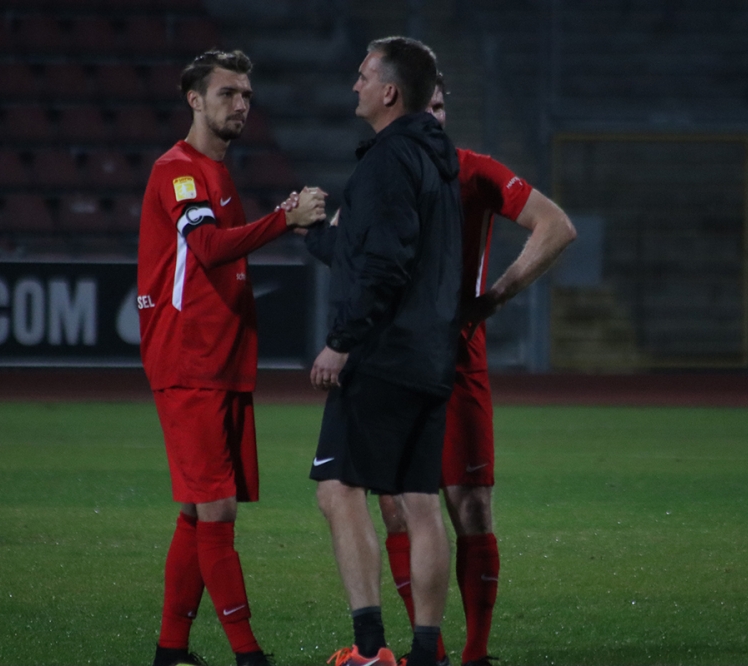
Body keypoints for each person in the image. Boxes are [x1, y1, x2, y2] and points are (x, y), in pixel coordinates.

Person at [377, 74, 576, 666]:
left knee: (470, 505)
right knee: (396, 508)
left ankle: (477, 655)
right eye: (425, 106)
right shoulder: (380, 175)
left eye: (442, 106)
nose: (435, 116)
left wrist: (495, 296)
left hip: (455, 359)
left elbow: (557, 225)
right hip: (390, 362)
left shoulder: (476, 170)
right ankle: (427, 652)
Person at [136, 49, 327, 666]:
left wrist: (284, 221)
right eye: (227, 93)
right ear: (194, 99)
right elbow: (209, 248)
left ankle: (172, 651)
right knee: (216, 511)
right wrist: (282, 219)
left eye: (246, 94)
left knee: (197, 513)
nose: (240, 104)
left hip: (219, 361)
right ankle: (249, 655)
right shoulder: (180, 171)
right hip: (189, 360)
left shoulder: (216, 174)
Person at [304, 37, 463, 666]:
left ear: (390, 91)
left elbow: (384, 266)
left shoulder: (387, 162)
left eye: (364, 75)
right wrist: (314, 234)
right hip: (429, 358)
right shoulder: (436, 158)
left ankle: (370, 652)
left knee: (338, 489)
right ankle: (427, 653)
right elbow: (378, 254)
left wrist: (341, 342)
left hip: (383, 356)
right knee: (421, 501)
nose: (355, 85)